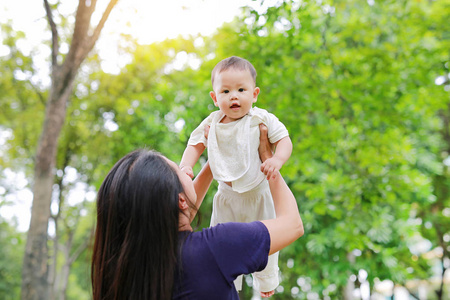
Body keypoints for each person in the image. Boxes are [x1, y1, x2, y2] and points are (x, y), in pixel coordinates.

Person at [91, 125, 304, 300]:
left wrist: (216, 160)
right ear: (180, 200)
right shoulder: (216, 248)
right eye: (179, 169)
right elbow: (292, 224)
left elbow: (175, 219)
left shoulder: (120, 274)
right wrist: (268, 159)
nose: (187, 172)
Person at [179, 56, 293, 296]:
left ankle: (266, 283)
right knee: (223, 241)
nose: (234, 96)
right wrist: (186, 166)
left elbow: (284, 139)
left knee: (268, 244)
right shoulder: (213, 122)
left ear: (254, 94)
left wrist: (276, 159)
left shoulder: (260, 119)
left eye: (241, 89)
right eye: (226, 91)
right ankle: (231, 282)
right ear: (214, 97)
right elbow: (195, 144)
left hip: (258, 192)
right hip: (227, 195)